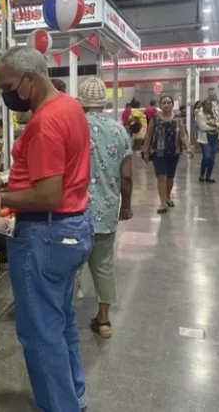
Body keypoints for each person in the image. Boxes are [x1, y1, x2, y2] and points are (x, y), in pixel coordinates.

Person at [0, 46, 92, 412]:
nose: (7, 96)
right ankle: (74, 396)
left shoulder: (45, 122)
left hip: (46, 233)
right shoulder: (69, 105)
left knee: (40, 333)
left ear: (31, 79)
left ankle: (60, 405)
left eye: (8, 87)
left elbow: (49, 194)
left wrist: (0, 196)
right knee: (61, 321)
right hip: (72, 227)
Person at [79, 77, 133, 339]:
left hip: (75, 211)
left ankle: (65, 318)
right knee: (103, 265)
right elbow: (126, 175)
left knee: (70, 268)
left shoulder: (74, 127)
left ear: (81, 101)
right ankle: (103, 322)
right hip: (108, 210)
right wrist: (127, 206)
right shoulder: (118, 130)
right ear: (104, 101)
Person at [143, 95, 194, 213]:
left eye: (168, 102)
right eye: (164, 103)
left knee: (170, 178)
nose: (166, 105)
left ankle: (167, 196)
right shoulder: (155, 119)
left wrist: (188, 146)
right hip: (158, 153)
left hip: (174, 152)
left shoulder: (178, 119)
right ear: (160, 105)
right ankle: (162, 203)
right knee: (161, 177)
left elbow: (183, 135)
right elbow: (149, 136)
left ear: (172, 104)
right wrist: (145, 151)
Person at [196, 98, 219, 183]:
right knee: (207, 157)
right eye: (207, 104)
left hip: (215, 138)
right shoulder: (200, 114)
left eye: (210, 104)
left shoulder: (215, 112)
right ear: (203, 105)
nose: (210, 106)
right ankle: (202, 175)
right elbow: (203, 127)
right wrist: (217, 126)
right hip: (205, 139)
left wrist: (214, 124)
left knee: (212, 159)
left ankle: (208, 176)